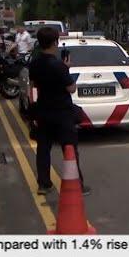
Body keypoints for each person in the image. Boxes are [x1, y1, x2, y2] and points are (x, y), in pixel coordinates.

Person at [28, 27, 90, 196]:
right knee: (69, 149)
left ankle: (44, 184)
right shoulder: (58, 66)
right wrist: (67, 68)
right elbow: (71, 88)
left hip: (43, 111)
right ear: (55, 42)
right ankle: (77, 184)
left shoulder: (35, 63)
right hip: (62, 113)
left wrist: (33, 109)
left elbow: (32, 87)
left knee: (43, 148)